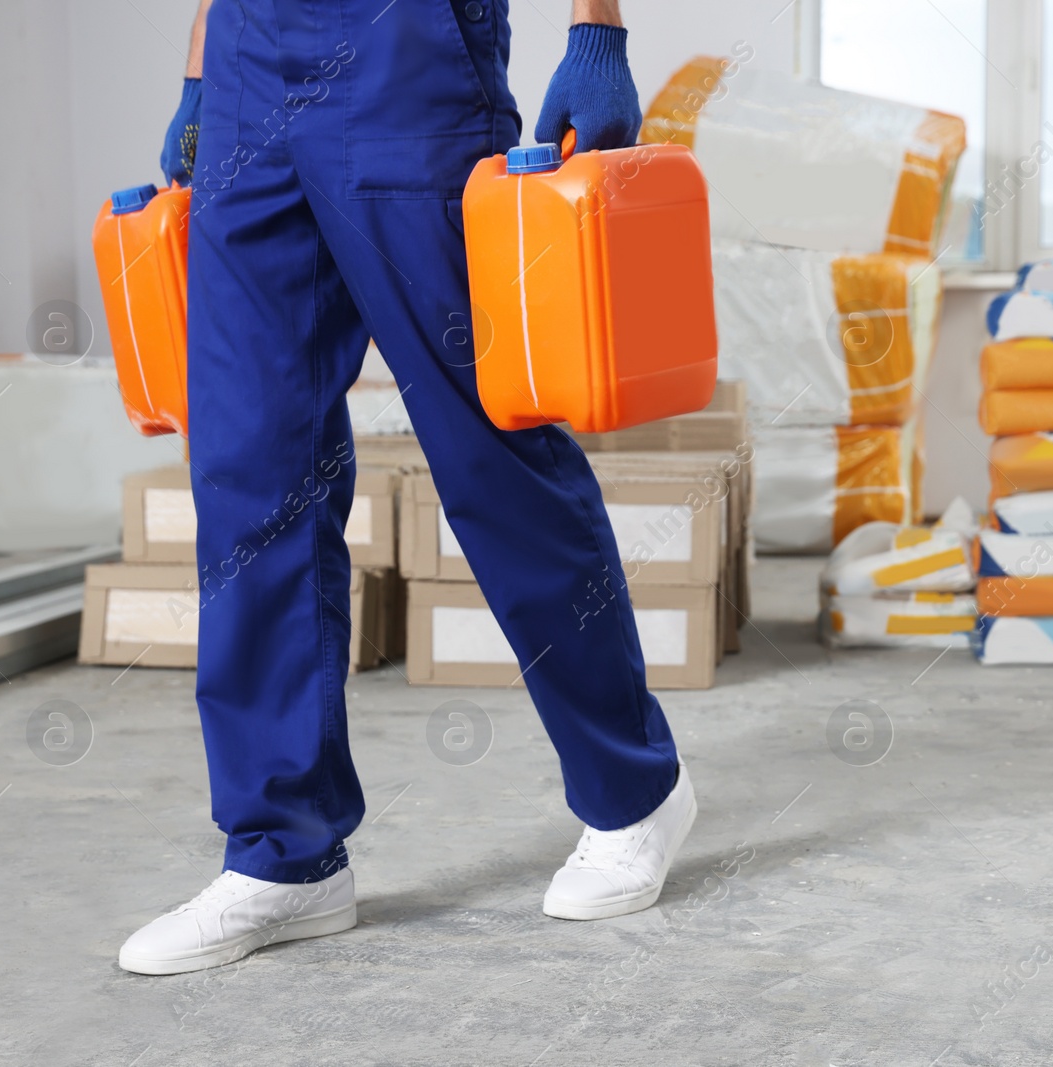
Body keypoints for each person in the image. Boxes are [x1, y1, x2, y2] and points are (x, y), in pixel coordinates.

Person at [118, 0, 694, 976]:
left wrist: (597, 30)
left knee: (487, 443)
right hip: (250, 65)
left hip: (407, 54)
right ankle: (284, 850)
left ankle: (634, 789)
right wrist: (199, 68)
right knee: (247, 466)